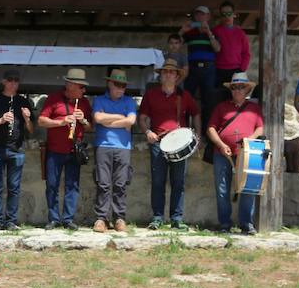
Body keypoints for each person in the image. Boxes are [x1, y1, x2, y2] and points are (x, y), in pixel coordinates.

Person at [139, 59, 201, 230]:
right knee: (158, 182)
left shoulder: (184, 96)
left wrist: (198, 136)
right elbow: (142, 118)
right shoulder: (151, 95)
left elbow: (196, 114)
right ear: (160, 76)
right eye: (165, 72)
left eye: (171, 72)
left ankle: (176, 218)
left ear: (176, 76)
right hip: (158, 143)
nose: (168, 74)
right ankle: (157, 217)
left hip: (179, 145)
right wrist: (147, 132)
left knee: (178, 182)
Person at [206, 72, 264, 234]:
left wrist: (249, 141)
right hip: (222, 153)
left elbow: (260, 127)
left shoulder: (254, 108)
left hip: (246, 154)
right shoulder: (221, 107)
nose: (237, 90)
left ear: (247, 90)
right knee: (222, 189)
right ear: (231, 89)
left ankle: (246, 223)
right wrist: (221, 144)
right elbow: (211, 128)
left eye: (241, 87)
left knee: (248, 188)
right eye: (234, 87)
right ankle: (225, 223)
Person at [38, 68, 93, 230]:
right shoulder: (54, 99)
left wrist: (83, 121)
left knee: (72, 185)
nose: (84, 90)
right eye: (81, 87)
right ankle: (54, 218)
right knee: (52, 185)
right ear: (70, 85)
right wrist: (61, 122)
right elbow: (41, 121)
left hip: (74, 150)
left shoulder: (84, 102)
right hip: (55, 150)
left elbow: (90, 127)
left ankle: (68, 219)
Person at [0, 69, 34, 230]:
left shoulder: (23, 102)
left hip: (16, 149)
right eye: (10, 80)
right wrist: (1, 120)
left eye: (16, 80)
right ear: (4, 82)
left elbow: (31, 130)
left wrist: (26, 119)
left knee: (14, 186)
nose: (13, 83)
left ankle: (11, 220)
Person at [91, 69, 137, 233]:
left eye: (123, 85)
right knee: (103, 183)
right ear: (109, 83)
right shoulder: (98, 100)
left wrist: (108, 120)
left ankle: (119, 218)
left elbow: (131, 120)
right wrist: (121, 118)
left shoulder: (129, 101)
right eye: (117, 85)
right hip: (103, 145)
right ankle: (101, 218)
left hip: (123, 147)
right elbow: (97, 119)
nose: (121, 88)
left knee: (120, 184)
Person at [180, 5, 221, 131]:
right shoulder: (190, 32)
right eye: (197, 14)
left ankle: (207, 131)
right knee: (186, 98)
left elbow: (217, 48)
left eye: (203, 14)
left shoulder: (214, 31)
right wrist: (182, 31)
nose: (200, 17)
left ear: (208, 17)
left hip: (208, 69)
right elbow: (176, 44)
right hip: (192, 68)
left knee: (208, 101)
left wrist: (209, 33)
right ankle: (184, 129)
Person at [212, 1, 250, 86]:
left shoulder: (241, 33)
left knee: (235, 97)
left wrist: (241, 70)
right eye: (223, 14)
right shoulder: (215, 31)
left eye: (229, 13)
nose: (226, 16)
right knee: (219, 97)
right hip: (218, 70)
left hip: (236, 71)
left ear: (234, 14)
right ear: (220, 16)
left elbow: (246, 53)